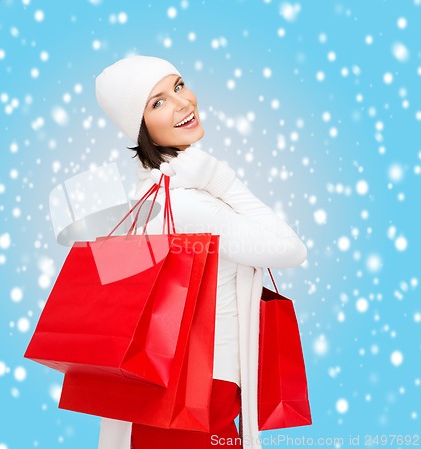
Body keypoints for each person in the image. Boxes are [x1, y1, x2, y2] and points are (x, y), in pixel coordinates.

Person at [95, 55, 307, 449]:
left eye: (177, 86)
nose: (182, 103)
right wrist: (219, 178)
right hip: (203, 383)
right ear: (138, 127)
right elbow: (291, 248)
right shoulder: (190, 204)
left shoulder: (146, 196)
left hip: (159, 383)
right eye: (157, 102)